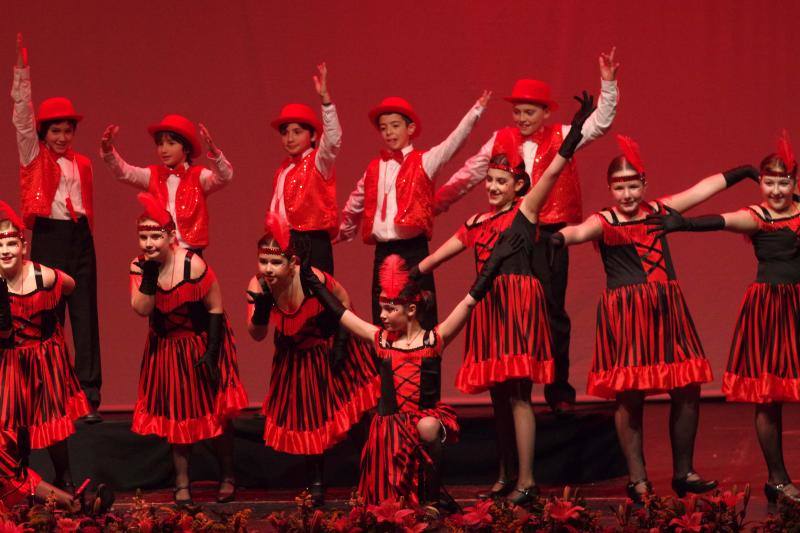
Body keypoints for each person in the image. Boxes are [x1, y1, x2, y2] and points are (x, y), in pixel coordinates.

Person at [550, 135, 757, 502]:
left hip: (667, 309)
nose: (627, 194)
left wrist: (740, 173)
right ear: (611, 188)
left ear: (644, 184)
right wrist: (556, 239)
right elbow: (577, 232)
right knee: (630, 395)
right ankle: (638, 479)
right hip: (627, 315)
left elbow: (701, 191)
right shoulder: (605, 221)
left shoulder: (659, 211)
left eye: (633, 185)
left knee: (688, 387)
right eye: (620, 186)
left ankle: (684, 472)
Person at [413, 94, 594, 504]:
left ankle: (527, 481)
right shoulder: (477, 220)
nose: (493, 187)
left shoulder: (525, 212)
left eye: (501, 182)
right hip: (489, 308)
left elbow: (550, 177)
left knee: (517, 394)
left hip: (517, 304)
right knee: (498, 396)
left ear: (517, 186)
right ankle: (505, 474)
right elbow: (445, 251)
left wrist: (574, 135)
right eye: (490, 181)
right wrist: (414, 272)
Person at [434, 48, 621, 412]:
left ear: (546, 112)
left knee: (552, 311)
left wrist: (608, 83)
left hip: (549, 235)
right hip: (510, 234)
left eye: (529, 111)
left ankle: (558, 392)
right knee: (508, 311)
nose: (521, 118)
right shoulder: (500, 140)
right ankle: (511, 386)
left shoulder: (564, 134)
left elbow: (600, 123)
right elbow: (470, 174)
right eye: (517, 111)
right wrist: (435, 205)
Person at [301, 235, 525, 508]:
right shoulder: (381, 340)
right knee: (389, 507)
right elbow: (341, 314)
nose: (382, 315)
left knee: (429, 426)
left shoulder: (434, 340)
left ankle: (430, 500)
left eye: (389, 309)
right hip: (390, 428)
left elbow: (468, 302)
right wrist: (312, 281)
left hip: (422, 419)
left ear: (410, 309)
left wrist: (494, 262)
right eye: (381, 308)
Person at [644, 131, 800, 503]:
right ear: (761, 183)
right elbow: (721, 220)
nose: (776, 190)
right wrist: (683, 225)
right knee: (769, 395)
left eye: (784, 182)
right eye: (769, 182)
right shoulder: (757, 217)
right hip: (771, 310)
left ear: (794, 182)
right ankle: (778, 479)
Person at [246, 213, 379, 506]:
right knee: (309, 418)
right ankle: (316, 481)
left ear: (292, 263)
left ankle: (373, 471)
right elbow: (256, 334)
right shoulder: (258, 286)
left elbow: (344, 303)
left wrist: (342, 344)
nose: (267, 269)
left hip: (329, 344)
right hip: (295, 356)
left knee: (352, 414)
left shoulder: (313, 278)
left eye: (275, 262)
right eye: (263, 262)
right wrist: (261, 309)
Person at [128, 193, 248, 505]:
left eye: (156, 236)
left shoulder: (192, 264)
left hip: (200, 340)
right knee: (176, 415)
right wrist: (150, 278)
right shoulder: (140, 267)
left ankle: (228, 475)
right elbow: (141, 309)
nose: (149, 243)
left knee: (215, 413)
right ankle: (182, 482)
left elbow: (216, 307)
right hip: (166, 346)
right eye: (144, 237)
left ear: (170, 236)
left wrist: (210, 352)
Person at [337, 91, 490, 329]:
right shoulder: (374, 168)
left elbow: (452, 144)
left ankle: (427, 364)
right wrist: (342, 231)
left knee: (421, 315)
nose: (389, 132)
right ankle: (386, 365)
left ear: (410, 129)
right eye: (384, 128)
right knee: (383, 318)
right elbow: (355, 201)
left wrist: (475, 112)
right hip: (383, 253)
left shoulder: (424, 161)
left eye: (395, 126)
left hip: (413, 252)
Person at [11, 33, 102, 422]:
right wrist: (22, 75)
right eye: (56, 131)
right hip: (49, 236)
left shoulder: (81, 163)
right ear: (44, 134)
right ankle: (49, 393)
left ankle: (89, 395)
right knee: (47, 316)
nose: (62, 137)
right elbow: (22, 121)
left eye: (67, 131)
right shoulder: (35, 156)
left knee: (85, 315)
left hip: (79, 238)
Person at [0, 201, 89, 492]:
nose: (5, 251)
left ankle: (65, 477)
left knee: (51, 422)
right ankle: (20, 483)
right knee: (13, 424)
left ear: (23, 247)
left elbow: (72, 286)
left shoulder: (44, 275)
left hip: (41, 359)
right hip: (9, 361)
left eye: (11, 243)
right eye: (0, 246)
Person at [101, 114, 232, 254]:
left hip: (190, 250)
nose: (164, 150)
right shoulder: (153, 174)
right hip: (160, 250)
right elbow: (124, 173)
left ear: (186, 148)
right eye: (160, 144)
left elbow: (224, 177)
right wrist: (108, 151)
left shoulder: (198, 176)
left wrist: (214, 152)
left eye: (171, 143)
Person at [269, 63, 342, 274]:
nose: (289, 138)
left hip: (312, 241)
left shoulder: (319, 161)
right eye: (285, 132)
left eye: (297, 131)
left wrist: (326, 101)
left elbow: (334, 139)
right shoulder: (283, 169)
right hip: (285, 242)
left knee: (318, 302)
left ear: (312, 135)